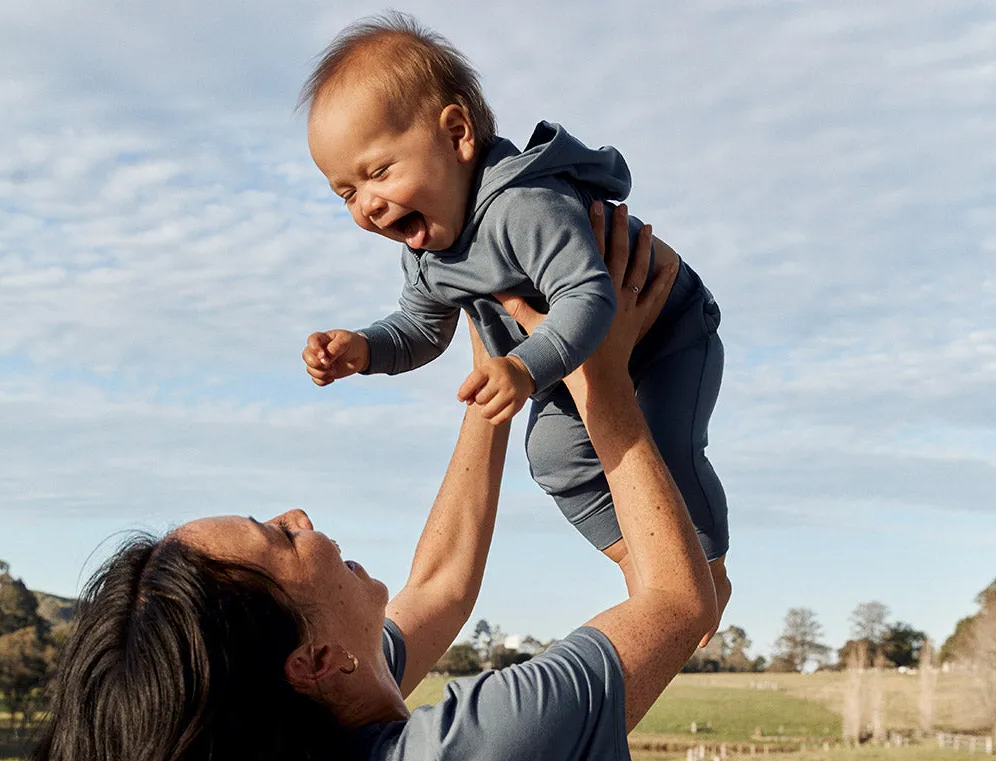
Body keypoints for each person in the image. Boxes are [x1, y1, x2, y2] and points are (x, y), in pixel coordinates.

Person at [0, 207, 715, 761]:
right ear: (315, 662)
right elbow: (681, 603)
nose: (299, 515)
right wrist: (600, 373)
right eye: (279, 537)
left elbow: (439, 586)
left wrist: (491, 372)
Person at [299, 13, 731, 638]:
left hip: (667, 331)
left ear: (456, 134)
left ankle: (705, 565)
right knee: (552, 455)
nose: (367, 204)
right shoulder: (427, 254)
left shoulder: (524, 207)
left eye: (378, 172)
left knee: (667, 442)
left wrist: (524, 367)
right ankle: (650, 564)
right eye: (345, 193)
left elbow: (587, 296)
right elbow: (422, 331)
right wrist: (364, 349)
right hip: (563, 360)